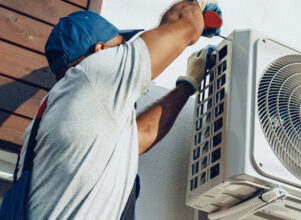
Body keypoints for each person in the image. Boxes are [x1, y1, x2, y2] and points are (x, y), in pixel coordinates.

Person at [9, 0, 222, 219]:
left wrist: (188, 84)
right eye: (120, 45)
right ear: (100, 51)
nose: (124, 51)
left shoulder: (52, 114)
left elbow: (139, 138)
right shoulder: (92, 74)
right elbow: (186, 23)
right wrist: (199, 3)